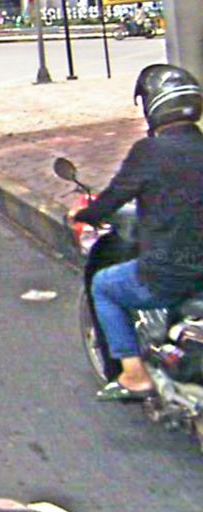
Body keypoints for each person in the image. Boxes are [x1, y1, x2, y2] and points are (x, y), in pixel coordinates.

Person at [73, 64, 203, 401]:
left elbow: (113, 198)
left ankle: (134, 375)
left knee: (104, 286)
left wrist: (83, 214)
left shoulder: (149, 152)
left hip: (169, 275)